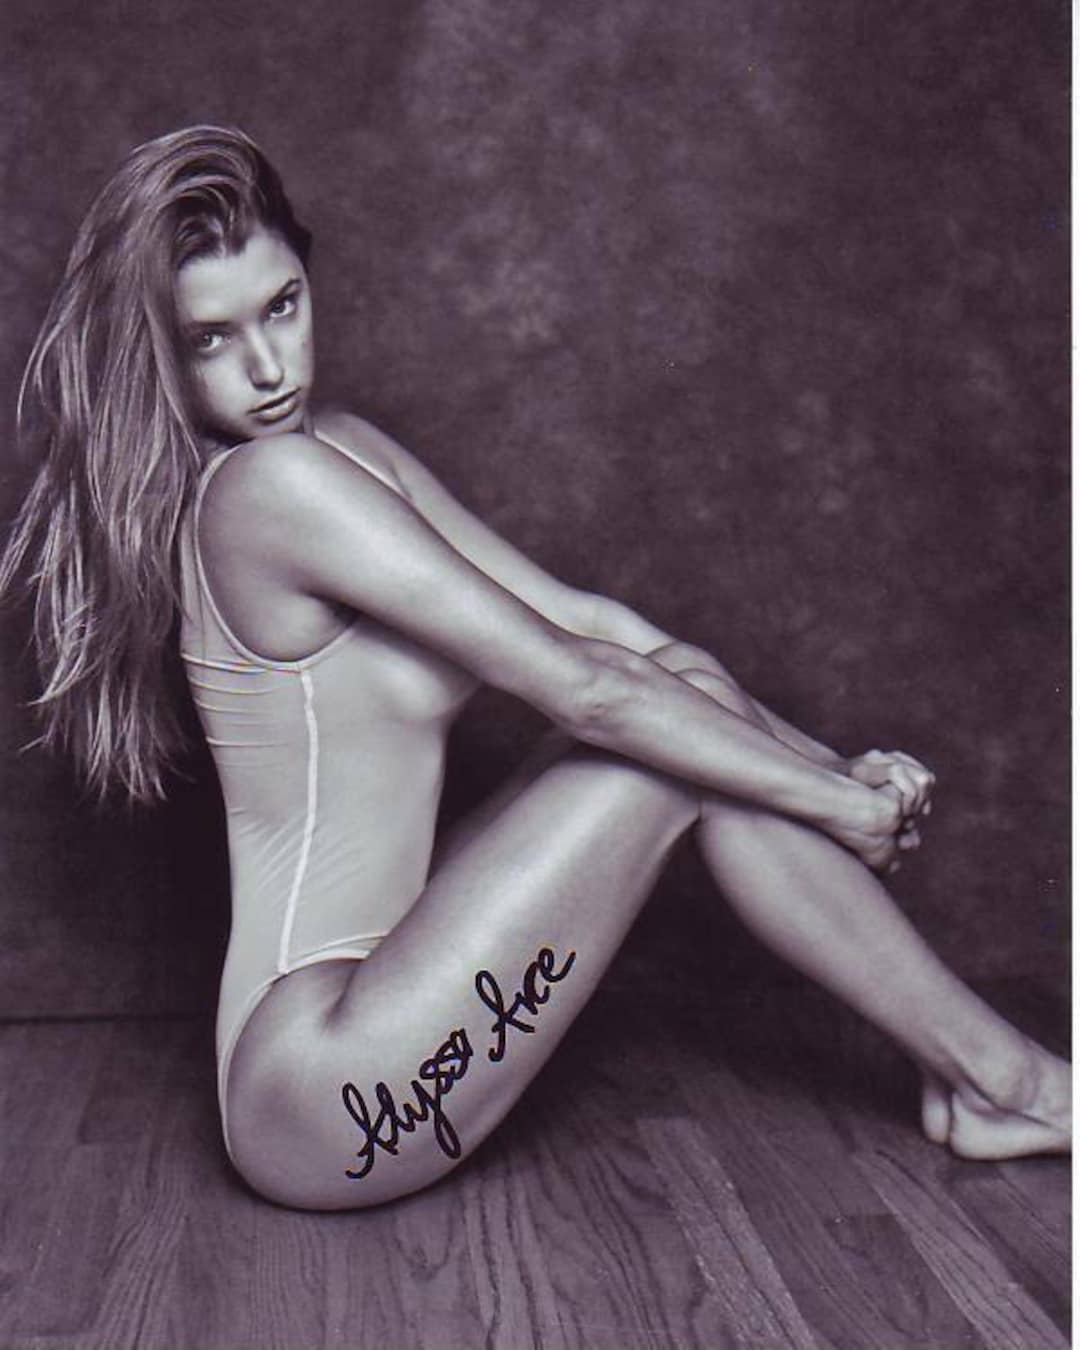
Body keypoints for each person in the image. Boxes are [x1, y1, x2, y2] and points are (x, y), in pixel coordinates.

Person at [1, 126, 1069, 1211]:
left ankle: (988, 1082)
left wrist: (833, 770)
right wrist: (836, 803)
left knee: (683, 704)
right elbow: (585, 688)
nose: (269, 366)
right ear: (161, 353)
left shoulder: (344, 452)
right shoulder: (264, 492)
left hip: (402, 987)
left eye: (281, 306)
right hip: (316, 1082)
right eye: (211, 339)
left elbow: (592, 628)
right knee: (658, 744)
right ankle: (1014, 1084)